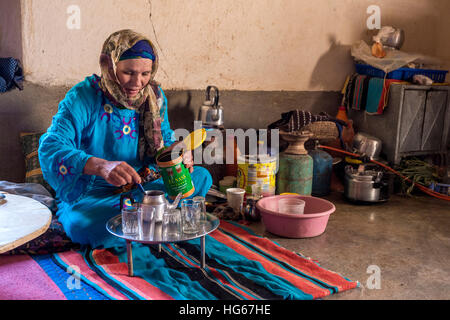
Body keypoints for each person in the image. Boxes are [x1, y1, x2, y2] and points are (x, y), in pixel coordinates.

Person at [38, 29, 212, 249]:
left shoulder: (155, 97)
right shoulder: (83, 97)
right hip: (94, 194)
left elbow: (164, 143)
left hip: (144, 185)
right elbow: (50, 147)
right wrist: (102, 166)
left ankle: (139, 222)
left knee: (200, 177)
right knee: (83, 226)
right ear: (110, 66)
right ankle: (157, 220)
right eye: (128, 72)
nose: (137, 83)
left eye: (145, 74)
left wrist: (177, 151)